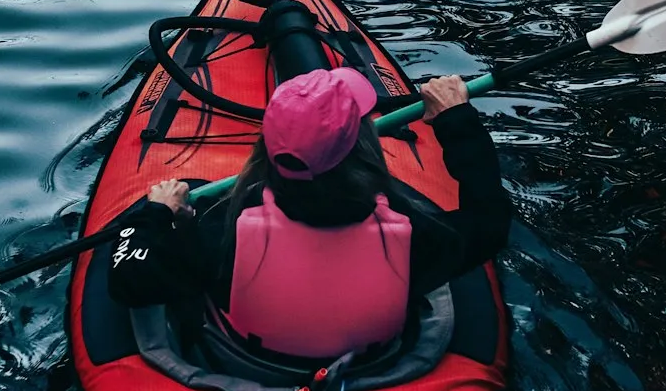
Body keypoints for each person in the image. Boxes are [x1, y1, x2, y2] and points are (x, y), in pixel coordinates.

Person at [108, 68, 510, 361]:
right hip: (375, 366)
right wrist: (458, 121)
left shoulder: (220, 232)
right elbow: (490, 222)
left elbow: (129, 277)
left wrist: (157, 213)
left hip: (252, 360)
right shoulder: (416, 236)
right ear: (359, 148)